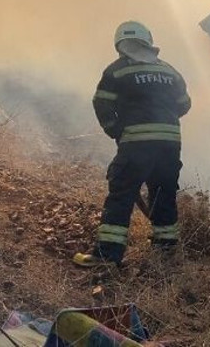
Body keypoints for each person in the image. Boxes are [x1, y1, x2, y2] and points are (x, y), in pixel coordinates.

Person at [73, 20, 191, 267]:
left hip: (137, 145)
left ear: (120, 45)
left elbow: (101, 102)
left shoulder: (116, 70)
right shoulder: (170, 71)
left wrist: (115, 129)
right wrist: (163, 121)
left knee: (122, 195)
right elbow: (184, 104)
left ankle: (107, 256)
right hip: (169, 144)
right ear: (148, 41)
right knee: (163, 194)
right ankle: (166, 253)